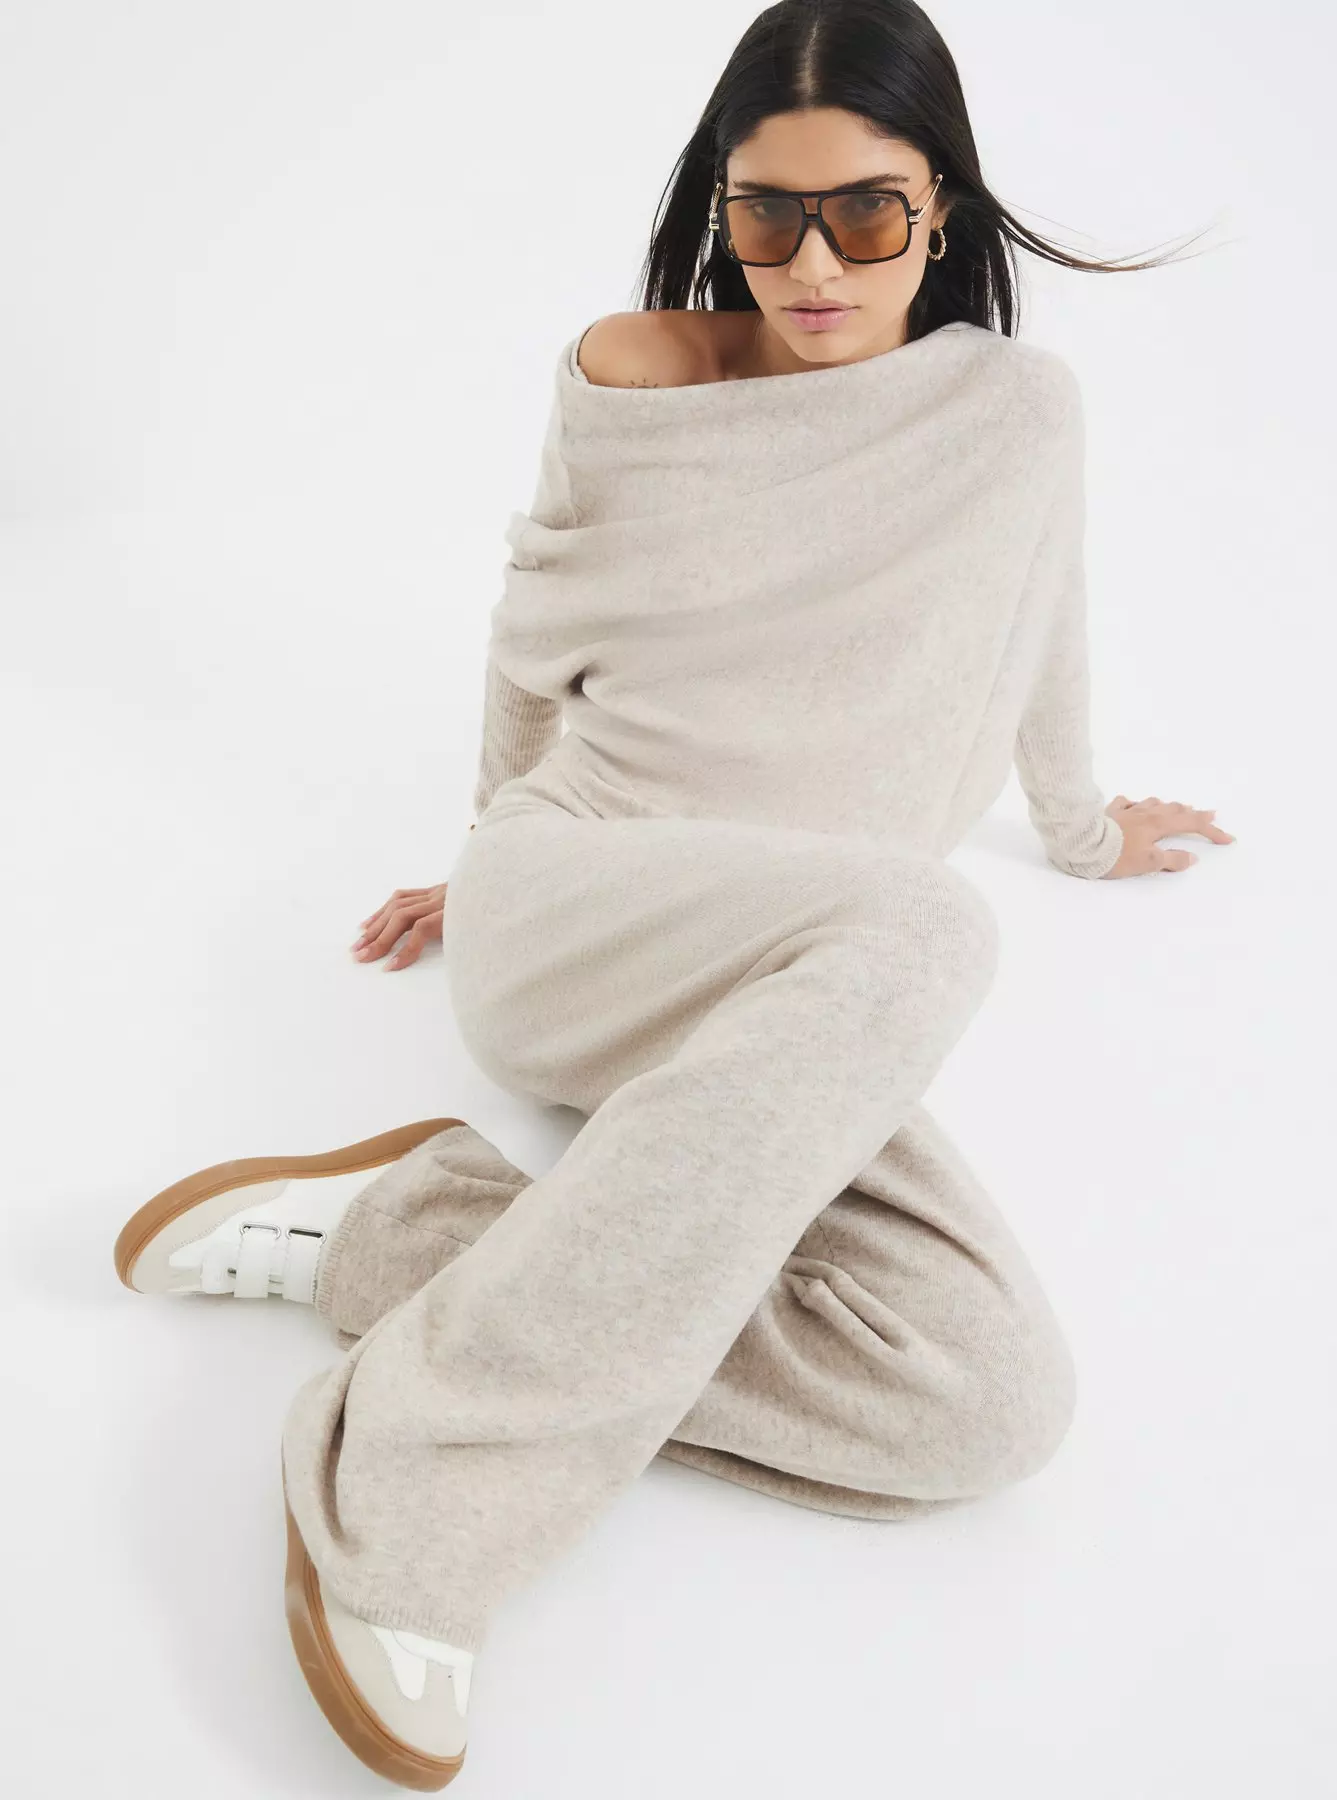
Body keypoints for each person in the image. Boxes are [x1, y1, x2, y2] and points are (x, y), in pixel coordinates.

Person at [112, 0, 1235, 1788]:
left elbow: (1045, 627)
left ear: (939, 207)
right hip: (592, 901)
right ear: (721, 206)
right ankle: (415, 1505)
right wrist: (481, 855)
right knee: (928, 923)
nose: (813, 263)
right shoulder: (638, 373)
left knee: (985, 1407)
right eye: (766, 212)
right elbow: (532, 639)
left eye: (864, 212)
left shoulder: (1014, 414)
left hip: (802, 982)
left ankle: (402, 1230)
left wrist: (1087, 830)